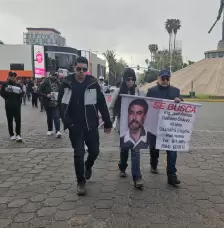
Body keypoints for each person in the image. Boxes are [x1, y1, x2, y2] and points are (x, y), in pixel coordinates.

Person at [58, 56, 112, 196]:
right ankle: (80, 181)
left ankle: (88, 166)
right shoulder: (67, 83)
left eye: (84, 70)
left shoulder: (93, 83)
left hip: (91, 126)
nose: (81, 72)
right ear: (74, 68)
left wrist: (107, 122)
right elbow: (61, 105)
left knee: (94, 152)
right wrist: (68, 123)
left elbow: (101, 103)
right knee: (78, 154)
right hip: (75, 126)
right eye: (79, 69)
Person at [110, 68, 146, 188]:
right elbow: (111, 107)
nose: (130, 81)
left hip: (136, 125)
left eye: (132, 79)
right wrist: (111, 120)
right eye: (128, 79)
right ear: (124, 79)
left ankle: (137, 177)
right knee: (124, 148)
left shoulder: (138, 91)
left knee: (135, 149)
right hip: (123, 125)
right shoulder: (118, 91)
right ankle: (122, 166)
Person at [146, 69, 183, 186]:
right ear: (158, 78)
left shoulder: (175, 91)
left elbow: (182, 108)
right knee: (154, 148)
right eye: (163, 78)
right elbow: (146, 106)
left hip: (170, 128)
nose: (165, 81)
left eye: (168, 78)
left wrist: (180, 101)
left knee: (172, 151)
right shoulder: (151, 91)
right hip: (155, 126)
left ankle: (172, 175)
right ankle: (153, 163)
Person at [0, 71, 24, 142]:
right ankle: (11, 134)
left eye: (14, 77)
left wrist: (21, 93)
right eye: (11, 76)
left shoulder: (18, 85)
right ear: (9, 77)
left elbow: (22, 93)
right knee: (10, 120)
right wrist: (7, 92)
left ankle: (18, 134)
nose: (13, 78)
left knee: (18, 120)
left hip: (17, 105)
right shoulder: (5, 84)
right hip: (8, 105)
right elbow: (2, 93)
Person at [39, 72, 62, 138]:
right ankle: (50, 129)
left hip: (56, 103)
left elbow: (62, 91)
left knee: (57, 117)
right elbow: (39, 91)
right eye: (53, 75)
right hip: (48, 102)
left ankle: (58, 131)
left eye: (55, 75)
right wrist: (46, 95)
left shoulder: (59, 83)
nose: (54, 77)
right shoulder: (45, 83)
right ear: (50, 75)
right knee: (49, 117)